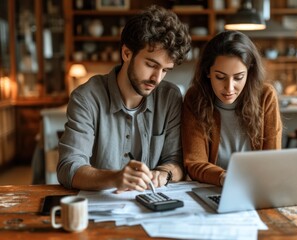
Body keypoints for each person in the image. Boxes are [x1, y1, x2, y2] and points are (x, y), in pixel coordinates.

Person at [57, 5, 191, 192]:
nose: (157, 78)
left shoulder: (170, 97)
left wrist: (164, 172)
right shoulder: (86, 97)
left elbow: (176, 162)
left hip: (151, 208)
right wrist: (115, 178)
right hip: (101, 210)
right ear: (127, 53)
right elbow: (68, 167)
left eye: (165, 70)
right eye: (151, 65)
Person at [182, 30, 282, 186]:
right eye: (220, 77)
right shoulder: (195, 98)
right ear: (208, 72)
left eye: (238, 77)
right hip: (213, 187)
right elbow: (194, 163)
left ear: (249, 71)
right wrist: (223, 178)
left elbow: (273, 160)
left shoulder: (266, 96)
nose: (229, 88)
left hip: (256, 187)